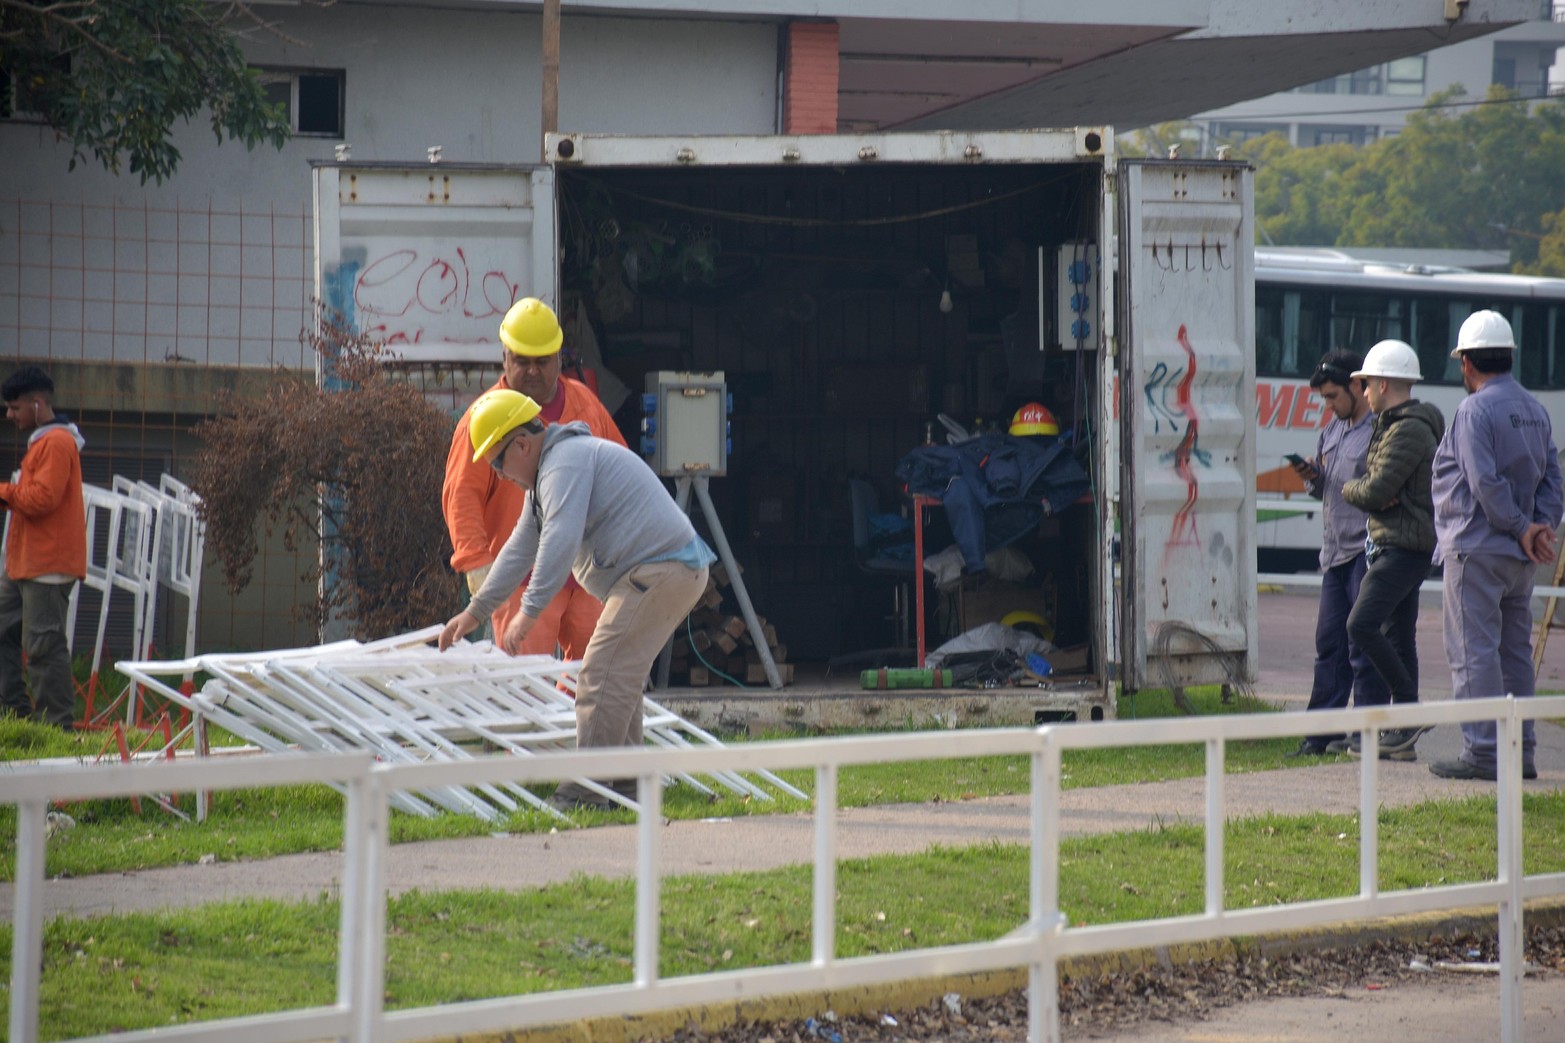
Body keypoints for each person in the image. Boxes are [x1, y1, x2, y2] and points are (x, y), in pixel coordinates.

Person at [437, 389, 714, 811]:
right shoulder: (550, 474)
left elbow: (559, 541)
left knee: (600, 675)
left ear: (523, 444)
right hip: (662, 571)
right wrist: (474, 613)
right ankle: (628, 787)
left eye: (497, 461)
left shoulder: (563, 465)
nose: (499, 473)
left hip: (662, 571)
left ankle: (585, 791)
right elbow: (518, 548)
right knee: (617, 680)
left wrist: (527, 613)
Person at [442, 296, 626, 658]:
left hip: (588, 575)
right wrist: (477, 562)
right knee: (524, 687)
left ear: (559, 358)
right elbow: (462, 493)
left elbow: (618, 474)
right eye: (521, 361)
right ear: (504, 358)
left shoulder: (586, 405)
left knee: (593, 681)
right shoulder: (484, 419)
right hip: (520, 580)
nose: (531, 371)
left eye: (541, 362)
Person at [1428, 310, 1561, 782]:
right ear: (1508, 356)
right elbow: (1553, 479)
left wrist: (1520, 525)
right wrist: (1539, 528)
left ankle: (1484, 751)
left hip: (1476, 547)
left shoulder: (1473, 410)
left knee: (1472, 652)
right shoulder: (1534, 409)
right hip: (1520, 558)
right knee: (1514, 654)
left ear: (1466, 363)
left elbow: (1482, 480)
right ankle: (1521, 751)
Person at [1340, 339, 1445, 761]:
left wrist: (1351, 488)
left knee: (1360, 625)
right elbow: (1377, 486)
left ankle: (1407, 708)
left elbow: (1374, 486)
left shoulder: (1407, 429)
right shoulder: (1394, 423)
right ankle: (1402, 738)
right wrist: (1371, 490)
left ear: (1383, 384)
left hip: (1403, 544)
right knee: (1398, 637)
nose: (1362, 393)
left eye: (1365, 384)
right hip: (1397, 541)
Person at [1286, 350, 1389, 756]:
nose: (1328, 406)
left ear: (1355, 386)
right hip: (1333, 554)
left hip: (1365, 551)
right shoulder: (1331, 431)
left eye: (1332, 396)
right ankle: (1319, 735)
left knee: (1363, 646)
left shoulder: (1379, 432)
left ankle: (1366, 735)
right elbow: (1326, 488)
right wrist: (1313, 478)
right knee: (1328, 644)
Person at [0, 366, 86, 729]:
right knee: (12, 632)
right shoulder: (49, 440)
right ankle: (14, 711)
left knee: (43, 648)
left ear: (37, 404)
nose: (9, 415)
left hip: (47, 565)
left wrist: (4, 491)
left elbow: (42, 499)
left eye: (15, 407)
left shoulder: (56, 442)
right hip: (27, 562)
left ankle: (56, 727)